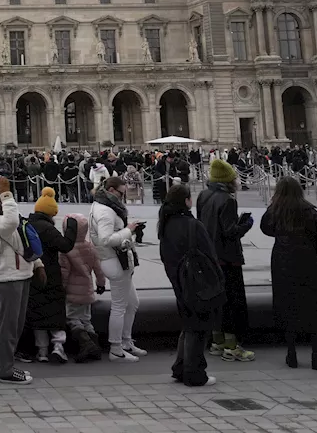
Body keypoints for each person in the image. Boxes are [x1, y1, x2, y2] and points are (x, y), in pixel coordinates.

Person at [260, 176, 317, 369]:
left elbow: (264, 228)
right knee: (313, 305)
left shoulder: (276, 212)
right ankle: (316, 354)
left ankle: (291, 353)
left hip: (282, 265)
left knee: (287, 305)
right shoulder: (311, 212)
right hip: (309, 264)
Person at [158, 183, 221, 387]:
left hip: (177, 277)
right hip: (196, 280)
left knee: (188, 323)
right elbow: (210, 255)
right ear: (186, 201)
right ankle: (194, 372)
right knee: (198, 325)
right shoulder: (192, 224)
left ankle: (181, 366)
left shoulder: (165, 223)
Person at [196, 159, 255, 361]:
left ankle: (216, 342)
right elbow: (230, 232)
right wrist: (246, 224)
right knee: (232, 303)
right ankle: (232, 347)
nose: (237, 181)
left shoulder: (203, 196)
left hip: (209, 257)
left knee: (216, 301)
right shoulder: (228, 200)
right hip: (228, 259)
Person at [0, 178, 40, 383]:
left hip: (22, 273)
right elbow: (11, 222)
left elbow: (23, 241)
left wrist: (38, 264)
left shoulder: (7, 217)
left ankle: (9, 364)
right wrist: (7, 194)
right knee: (9, 325)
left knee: (17, 324)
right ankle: (6, 369)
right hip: (9, 277)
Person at [90, 176, 144, 361]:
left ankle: (126, 341)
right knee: (120, 306)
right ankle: (116, 348)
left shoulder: (101, 205)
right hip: (115, 260)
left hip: (116, 260)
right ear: (112, 191)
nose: (123, 197)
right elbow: (106, 239)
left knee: (132, 303)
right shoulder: (106, 211)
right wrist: (128, 230)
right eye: (121, 193)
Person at [26, 188, 78, 364]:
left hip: (32, 273)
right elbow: (65, 245)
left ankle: (41, 351)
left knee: (37, 312)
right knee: (55, 311)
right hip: (51, 273)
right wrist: (72, 228)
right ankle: (58, 346)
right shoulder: (48, 228)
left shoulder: (28, 225)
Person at [59, 213, 105, 362]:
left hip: (72, 293)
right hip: (87, 291)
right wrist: (100, 284)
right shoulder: (90, 246)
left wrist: (62, 288)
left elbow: (64, 273)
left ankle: (86, 345)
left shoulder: (66, 249)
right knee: (86, 319)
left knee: (73, 319)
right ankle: (95, 346)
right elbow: (98, 269)